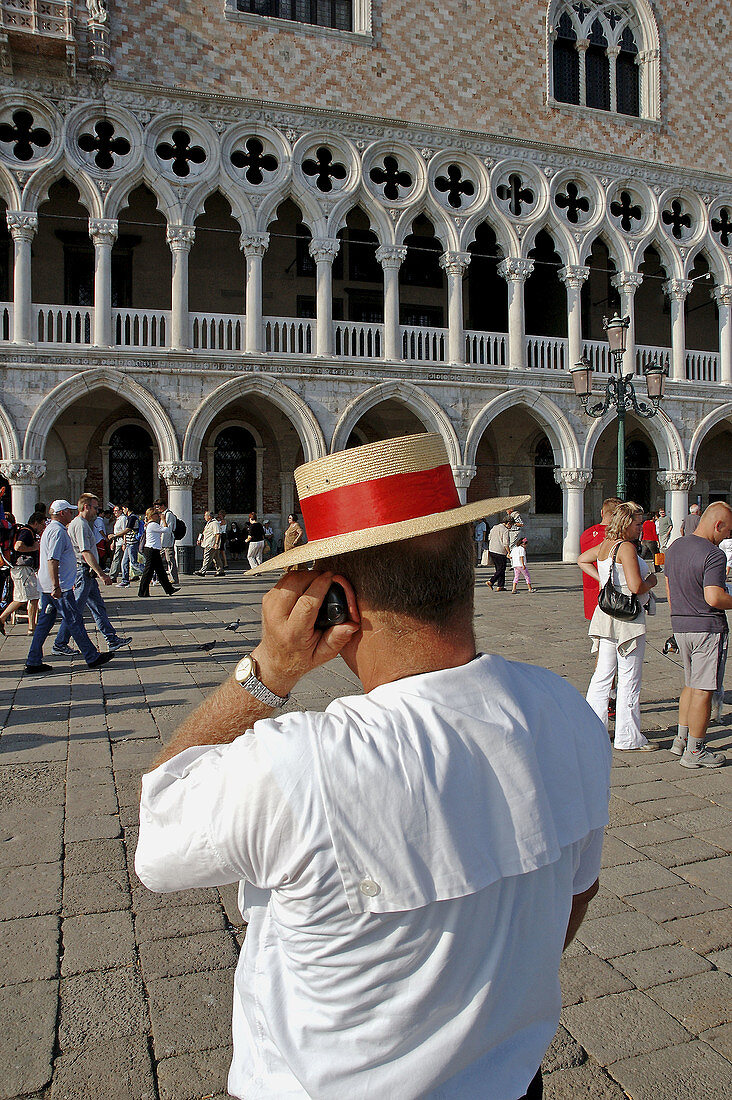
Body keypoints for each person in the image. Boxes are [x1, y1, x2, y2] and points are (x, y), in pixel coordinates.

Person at [136, 432, 610, 1100]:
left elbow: (158, 840)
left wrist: (268, 671)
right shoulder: (571, 716)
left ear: (335, 602)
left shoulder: (297, 768)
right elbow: (577, 893)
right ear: (466, 560)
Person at [578, 502, 659, 751]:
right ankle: (628, 737)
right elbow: (636, 586)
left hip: (605, 615)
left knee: (603, 675)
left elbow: (582, 559)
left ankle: (592, 731)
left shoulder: (606, 545)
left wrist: (604, 583)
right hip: (627, 620)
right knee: (629, 678)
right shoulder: (625, 548)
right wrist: (652, 581)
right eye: (637, 524)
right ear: (626, 524)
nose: (641, 528)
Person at [664, 501, 732, 768]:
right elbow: (714, 596)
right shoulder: (714, 554)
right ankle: (695, 751)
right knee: (704, 689)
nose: (727, 537)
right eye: (727, 531)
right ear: (717, 525)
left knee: (691, 685)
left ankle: (680, 740)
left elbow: (670, 590)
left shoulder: (675, 547)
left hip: (681, 624)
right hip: (707, 627)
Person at [25, 500, 115, 674]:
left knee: (45, 622)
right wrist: (56, 586)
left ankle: (33, 659)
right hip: (59, 587)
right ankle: (91, 656)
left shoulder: (50, 530)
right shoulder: (57, 531)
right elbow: (53, 560)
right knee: (74, 620)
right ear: (61, 513)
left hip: (49, 586)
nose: (71, 514)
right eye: (68, 511)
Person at [53, 493, 131, 656]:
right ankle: (60, 643)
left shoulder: (82, 523)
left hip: (86, 572)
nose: (97, 511)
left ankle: (111, 638)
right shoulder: (80, 524)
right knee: (75, 610)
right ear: (86, 507)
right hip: (83, 571)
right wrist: (102, 574)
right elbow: (86, 552)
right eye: (95, 508)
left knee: (98, 607)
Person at [0, 511, 44, 635]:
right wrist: (33, 548)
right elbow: (18, 546)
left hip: (19, 569)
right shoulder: (27, 532)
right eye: (41, 525)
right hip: (23, 569)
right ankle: (31, 628)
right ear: (35, 523)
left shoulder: (24, 530)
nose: (42, 528)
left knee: (22, 598)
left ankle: (3, 619)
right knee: (30, 597)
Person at [579, 498, 622, 622]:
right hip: (610, 590)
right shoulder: (614, 537)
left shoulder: (586, 534)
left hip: (590, 586)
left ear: (602, 512)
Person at [138, 508, 179, 598]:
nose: (158, 515)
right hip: (152, 550)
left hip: (154, 549)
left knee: (160, 571)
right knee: (148, 572)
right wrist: (164, 520)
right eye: (156, 514)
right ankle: (142, 592)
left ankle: (169, 589)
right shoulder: (153, 524)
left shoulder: (149, 524)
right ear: (152, 515)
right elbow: (167, 530)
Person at [154, 497, 180, 585]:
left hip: (167, 541)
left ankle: (174, 578)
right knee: (158, 560)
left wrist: (163, 520)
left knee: (170, 559)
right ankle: (158, 578)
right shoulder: (163, 515)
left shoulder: (168, 515)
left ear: (163, 506)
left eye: (158, 507)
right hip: (162, 541)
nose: (157, 509)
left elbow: (168, 529)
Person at [117, 502, 141, 587]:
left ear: (126, 508)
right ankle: (125, 580)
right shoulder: (130, 517)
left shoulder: (132, 518)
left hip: (132, 543)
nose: (123, 511)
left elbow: (128, 529)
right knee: (124, 562)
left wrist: (116, 535)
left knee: (134, 563)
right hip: (128, 543)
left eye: (123, 509)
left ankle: (150, 574)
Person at [486, 515, 512, 590]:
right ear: (508, 523)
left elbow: (489, 537)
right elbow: (505, 543)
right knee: (501, 568)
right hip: (500, 551)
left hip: (492, 549)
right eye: (511, 524)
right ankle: (491, 581)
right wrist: (509, 552)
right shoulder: (505, 530)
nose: (511, 527)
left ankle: (500, 586)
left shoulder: (495, 527)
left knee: (499, 568)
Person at [195, 511, 224, 576]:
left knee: (207, 557)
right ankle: (220, 570)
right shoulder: (208, 523)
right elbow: (204, 533)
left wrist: (216, 543)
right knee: (216, 558)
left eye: (205, 515)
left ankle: (202, 571)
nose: (204, 517)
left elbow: (218, 533)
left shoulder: (215, 523)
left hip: (211, 543)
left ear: (209, 516)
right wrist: (200, 539)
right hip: (208, 542)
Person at [107, 505, 126, 581]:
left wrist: (124, 543)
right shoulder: (117, 519)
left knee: (117, 559)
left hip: (121, 541)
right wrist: (113, 542)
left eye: (116, 510)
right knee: (117, 559)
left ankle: (112, 576)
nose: (115, 512)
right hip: (117, 541)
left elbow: (125, 531)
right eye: (114, 510)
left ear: (121, 511)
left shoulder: (123, 518)